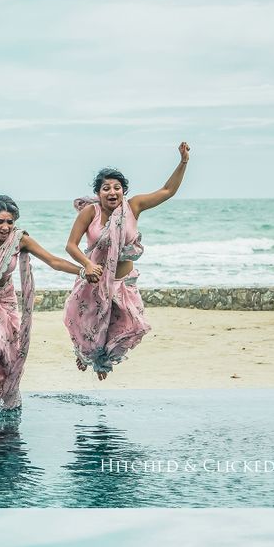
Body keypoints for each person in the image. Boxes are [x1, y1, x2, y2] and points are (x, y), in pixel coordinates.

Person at [63, 142, 191, 379]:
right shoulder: (90, 212)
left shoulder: (133, 207)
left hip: (123, 282)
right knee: (88, 323)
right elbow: (70, 246)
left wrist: (183, 162)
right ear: (98, 193)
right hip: (96, 280)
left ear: (124, 191)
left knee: (129, 324)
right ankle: (84, 354)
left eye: (117, 188)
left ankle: (104, 361)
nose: (112, 192)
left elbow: (167, 191)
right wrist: (88, 264)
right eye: (106, 188)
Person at [0, 195, 81, 419]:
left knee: (10, 351)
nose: (5, 227)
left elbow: (54, 261)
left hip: (5, 299)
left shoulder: (19, 240)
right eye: (0, 221)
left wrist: (84, 270)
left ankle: (4, 398)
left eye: (10, 222)